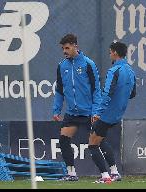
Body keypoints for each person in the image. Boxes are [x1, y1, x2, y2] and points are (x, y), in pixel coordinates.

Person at [52, 34, 102, 181]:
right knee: (63, 139)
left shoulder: (88, 64)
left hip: (88, 112)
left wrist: (96, 111)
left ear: (75, 47)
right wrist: (56, 109)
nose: (64, 51)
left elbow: (96, 90)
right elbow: (60, 90)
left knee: (98, 142)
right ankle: (71, 173)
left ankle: (110, 172)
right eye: (63, 48)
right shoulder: (62, 66)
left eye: (67, 48)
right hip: (72, 113)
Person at [88, 41, 136, 184]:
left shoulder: (114, 70)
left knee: (92, 144)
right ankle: (114, 172)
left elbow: (107, 93)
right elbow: (132, 94)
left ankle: (105, 176)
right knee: (101, 140)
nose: (109, 54)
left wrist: (98, 113)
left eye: (110, 52)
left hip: (106, 114)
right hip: (118, 114)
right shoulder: (130, 71)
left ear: (115, 52)